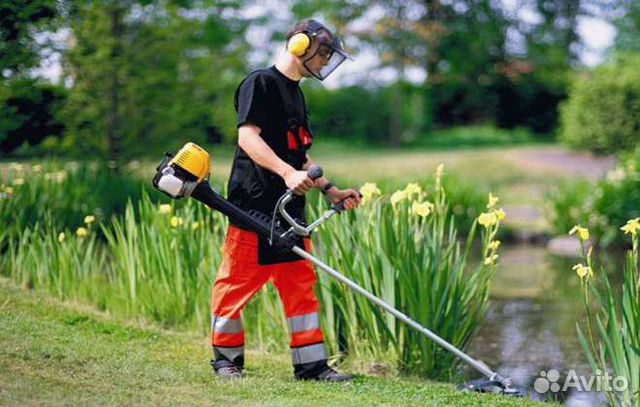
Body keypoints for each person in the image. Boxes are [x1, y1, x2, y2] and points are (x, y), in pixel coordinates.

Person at [209, 19, 361, 381]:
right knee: (236, 285)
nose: (325, 63)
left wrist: (330, 190)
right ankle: (226, 360)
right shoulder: (259, 83)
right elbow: (248, 138)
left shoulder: (298, 93)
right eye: (323, 55)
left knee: (301, 288)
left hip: (291, 212)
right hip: (254, 207)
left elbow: (301, 156)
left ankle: (311, 366)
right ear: (299, 47)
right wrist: (286, 174)